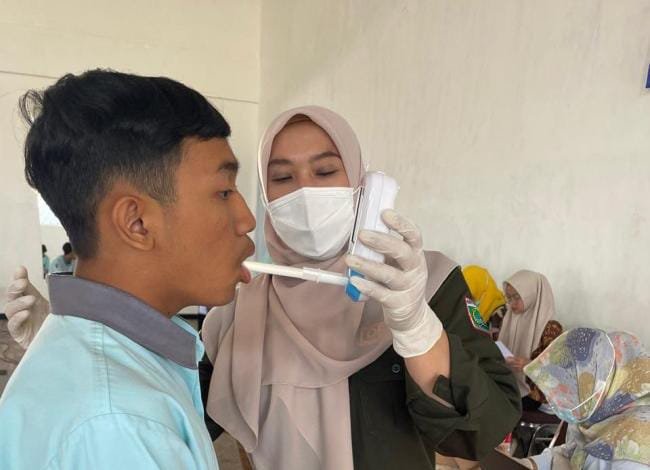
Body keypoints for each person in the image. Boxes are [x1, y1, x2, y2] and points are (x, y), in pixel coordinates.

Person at [0, 70, 256, 469]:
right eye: (224, 191)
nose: (247, 220)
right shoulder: (120, 424)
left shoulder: (118, 377)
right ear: (137, 223)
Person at [523, 328, 650, 470]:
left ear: (601, 385)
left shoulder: (635, 448)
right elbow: (568, 451)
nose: (559, 403)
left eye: (568, 393)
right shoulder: (592, 414)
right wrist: (531, 464)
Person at [499, 270, 563, 410]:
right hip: (509, 384)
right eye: (509, 298)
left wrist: (530, 365)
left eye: (517, 297)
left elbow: (558, 371)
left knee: (494, 403)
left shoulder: (551, 328)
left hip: (534, 393)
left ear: (533, 296)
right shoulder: (509, 318)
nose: (512, 304)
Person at [462, 265, 507, 339]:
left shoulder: (500, 315)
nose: (469, 301)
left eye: (473, 296)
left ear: (484, 291)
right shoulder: (473, 309)